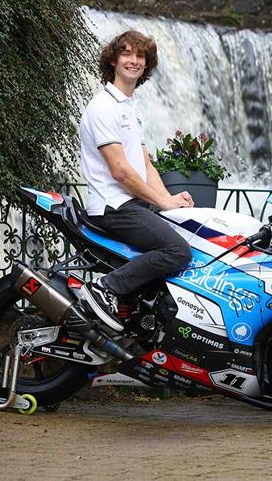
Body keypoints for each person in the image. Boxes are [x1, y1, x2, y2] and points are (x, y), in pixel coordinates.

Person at [79, 30, 194, 330]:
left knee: (193, 233)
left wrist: (170, 203)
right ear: (114, 61)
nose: (134, 60)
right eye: (127, 53)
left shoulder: (131, 107)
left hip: (133, 204)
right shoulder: (103, 107)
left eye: (140, 55)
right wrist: (162, 202)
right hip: (112, 207)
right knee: (178, 251)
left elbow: (144, 164)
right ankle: (107, 287)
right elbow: (120, 171)